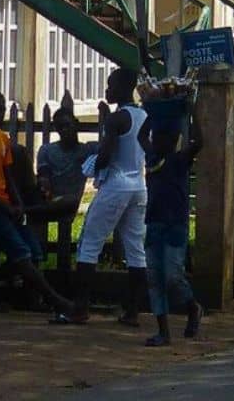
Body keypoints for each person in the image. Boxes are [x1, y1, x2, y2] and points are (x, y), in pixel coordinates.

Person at [0, 89, 76, 317]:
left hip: (5, 207)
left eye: (0, 109)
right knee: (21, 252)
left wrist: (18, 204)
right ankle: (55, 300)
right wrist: (5, 207)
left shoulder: (2, 138)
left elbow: (8, 175)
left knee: (34, 253)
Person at [68, 67, 149, 326]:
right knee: (136, 251)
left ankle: (80, 307)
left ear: (124, 88)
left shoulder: (117, 120)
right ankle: (133, 311)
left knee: (89, 243)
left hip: (116, 184)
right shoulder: (143, 115)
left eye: (110, 85)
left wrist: (92, 162)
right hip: (138, 185)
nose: (107, 90)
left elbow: (105, 155)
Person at [140, 114, 204, 346]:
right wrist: (151, 111)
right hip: (155, 222)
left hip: (175, 223)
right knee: (155, 277)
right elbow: (141, 136)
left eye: (163, 137)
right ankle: (163, 331)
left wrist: (191, 110)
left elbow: (199, 142)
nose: (157, 141)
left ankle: (192, 307)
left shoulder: (179, 160)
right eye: (156, 136)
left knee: (172, 277)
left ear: (174, 139)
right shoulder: (152, 158)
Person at [34, 106, 94, 216]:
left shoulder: (86, 150)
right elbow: (43, 175)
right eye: (60, 127)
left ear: (76, 125)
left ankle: (29, 210)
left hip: (70, 202)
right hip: (49, 197)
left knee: (69, 202)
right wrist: (45, 189)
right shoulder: (47, 150)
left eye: (68, 125)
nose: (64, 130)